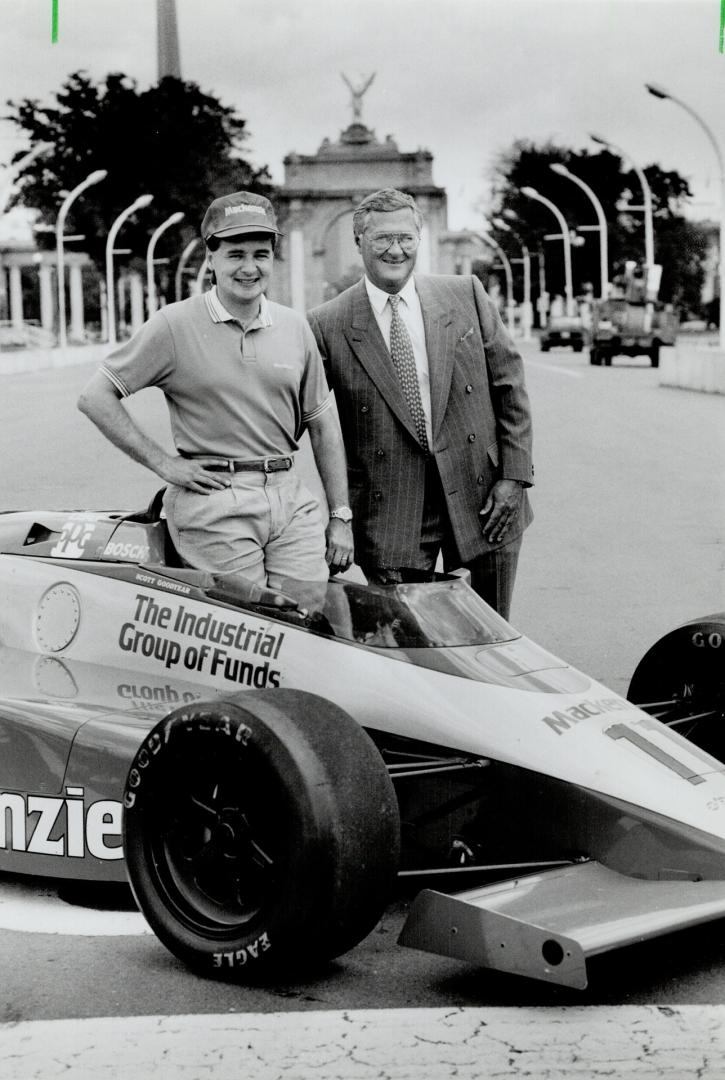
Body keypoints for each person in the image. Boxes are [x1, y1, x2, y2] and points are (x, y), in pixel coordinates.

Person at [78, 190, 354, 591]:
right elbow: (95, 396)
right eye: (235, 254)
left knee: (310, 620)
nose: (249, 267)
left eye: (260, 254)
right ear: (211, 258)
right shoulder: (173, 325)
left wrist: (340, 515)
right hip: (215, 504)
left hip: (289, 498)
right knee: (249, 631)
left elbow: (324, 425)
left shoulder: (295, 327)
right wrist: (164, 464)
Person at [307, 188, 533, 620]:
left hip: (486, 498)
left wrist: (515, 479)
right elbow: (305, 416)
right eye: (382, 240)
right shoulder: (326, 323)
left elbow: (510, 386)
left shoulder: (465, 294)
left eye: (406, 239)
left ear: (419, 239)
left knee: (492, 635)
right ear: (359, 242)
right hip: (390, 512)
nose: (396, 250)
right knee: (410, 644)